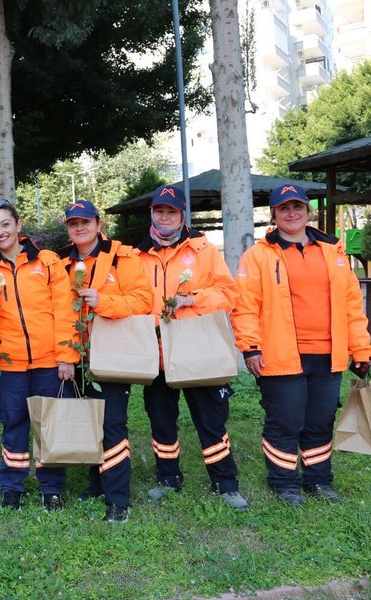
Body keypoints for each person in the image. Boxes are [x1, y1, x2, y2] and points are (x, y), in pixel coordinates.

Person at [231, 185, 371, 505]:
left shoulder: (333, 252)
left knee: (320, 420)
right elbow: (245, 306)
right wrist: (250, 346)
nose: (292, 213)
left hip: (328, 354)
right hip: (280, 354)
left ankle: (319, 481)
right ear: (274, 215)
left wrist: (361, 350)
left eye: (298, 206)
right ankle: (284, 483)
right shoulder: (257, 256)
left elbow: (352, 306)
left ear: (309, 211)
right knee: (286, 420)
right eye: (284, 208)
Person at [135, 185, 249, 511]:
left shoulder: (203, 250)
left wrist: (192, 299)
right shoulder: (137, 254)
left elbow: (228, 293)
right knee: (161, 420)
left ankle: (225, 483)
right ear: (152, 214)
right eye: (159, 211)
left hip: (198, 349)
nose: (165, 217)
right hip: (156, 352)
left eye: (171, 212)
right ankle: (168, 479)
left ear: (182, 214)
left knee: (210, 419)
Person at [0, 199, 79, 512]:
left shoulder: (47, 262)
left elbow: (65, 311)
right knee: (13, 423)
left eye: (5, 224)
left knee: (50, 425)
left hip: (48, 361)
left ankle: (52, 488)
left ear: (18, 225)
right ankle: (12, 486)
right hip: (8, 363)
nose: (0, 232)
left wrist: (66, 356)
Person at [57, 200, 153, 522]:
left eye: (86, 221)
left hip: (113, 354)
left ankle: (117, 500)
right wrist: (67, 355)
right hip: (78, 357)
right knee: (89, 420)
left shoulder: (122, 258)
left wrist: (103, 301)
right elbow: (59, 313)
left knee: (111, 424)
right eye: (73, 223)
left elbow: (143, 300)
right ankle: (96, 483)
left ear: (99, 225)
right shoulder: (62, 264)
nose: (79, 227)